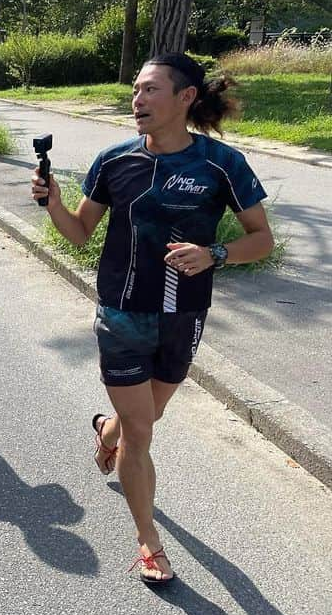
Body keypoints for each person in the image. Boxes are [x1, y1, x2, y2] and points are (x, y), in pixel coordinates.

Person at [31, 53, 273, 584]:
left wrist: (216, 254)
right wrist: (52, 203)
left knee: (146, 417)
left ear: (186, 98)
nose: (137, 100)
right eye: (135, 91)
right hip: (122, 309)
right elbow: (78, 233)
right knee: (143, 431)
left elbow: (262, 238)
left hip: (183, 314)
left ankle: (107, 428)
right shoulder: (114, 161)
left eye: (150, 91)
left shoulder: (221, 165)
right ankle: (148, 539)